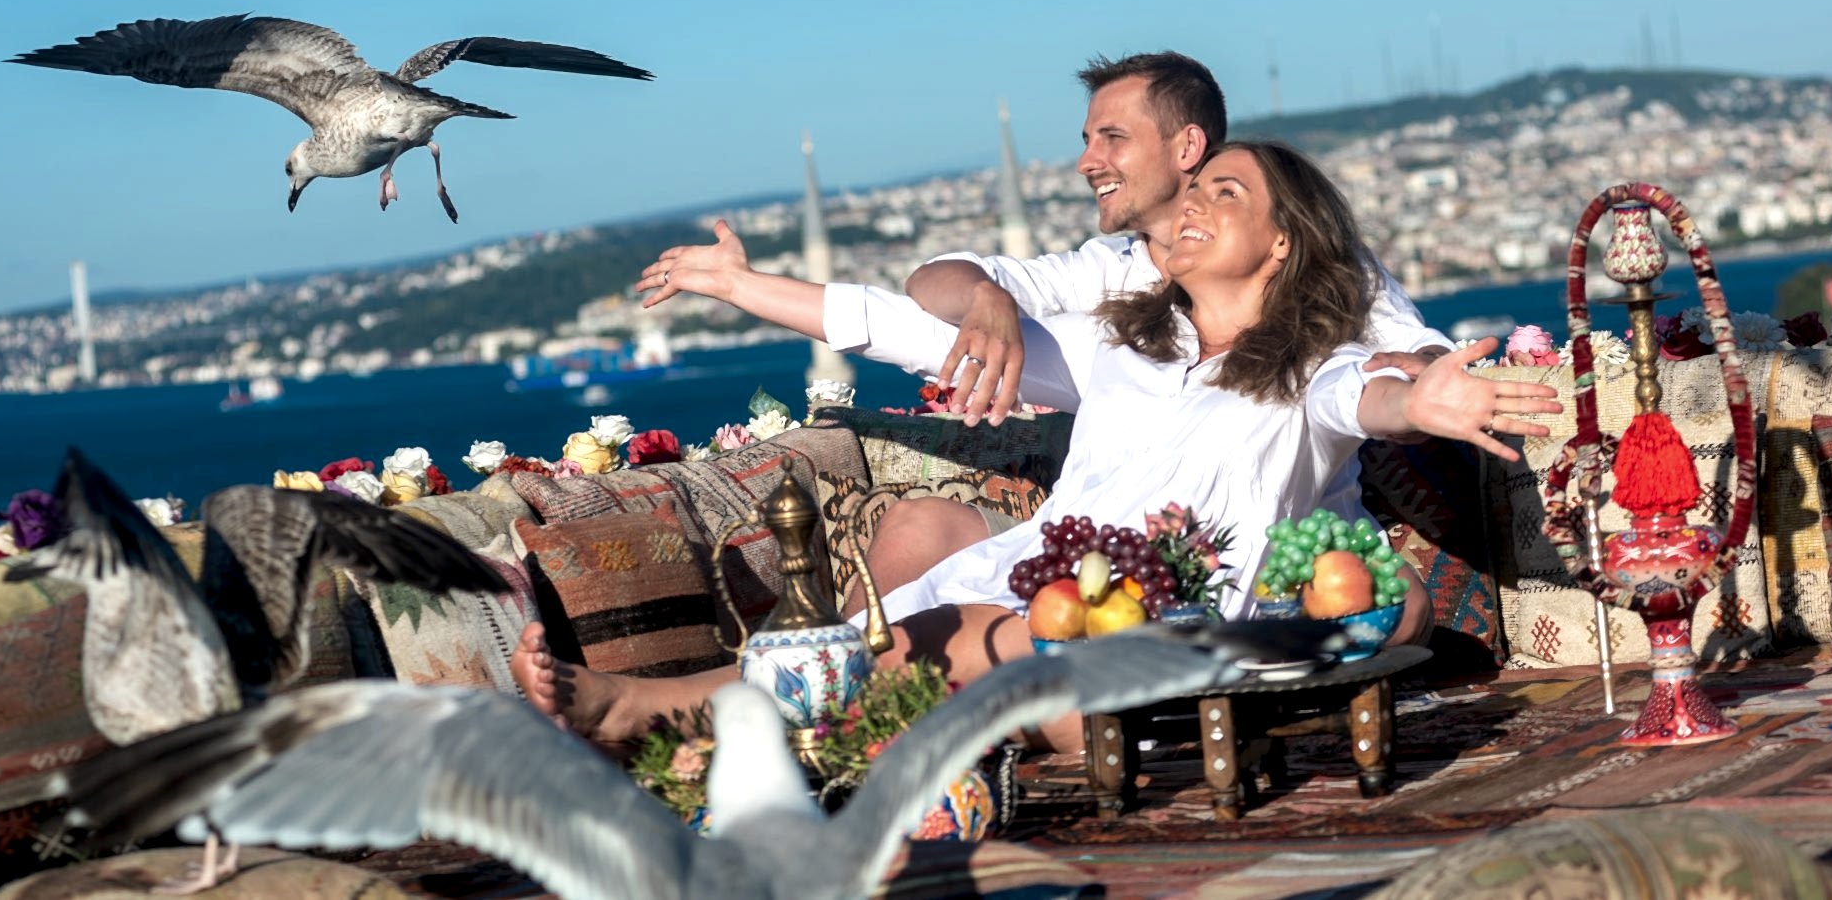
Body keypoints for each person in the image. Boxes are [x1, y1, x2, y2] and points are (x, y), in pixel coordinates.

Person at [512, 140, 1558, 754]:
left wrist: (1424, 393)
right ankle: (761, 727)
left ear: (1283, 244)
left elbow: (1364, 395)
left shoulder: (1313, 364)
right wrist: (741, 286)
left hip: (1175, 626)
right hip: (1053, 588)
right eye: (1195, 189)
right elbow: (909, 327)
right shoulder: (1124, 345)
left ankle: (644, 710)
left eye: (1225, 193)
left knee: (936, 638)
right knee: (906, 617)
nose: (1192, 203)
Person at [879, 51, 1451, 606]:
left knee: (1402, 603)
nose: (1086, 162)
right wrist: (987, 296)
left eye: (1112, 137)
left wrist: (1417, 396)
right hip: (1114, 541)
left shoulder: (1309, 276)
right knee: (916, 532)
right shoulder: (1103, 281)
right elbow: (923, 300)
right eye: (1087, 140)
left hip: (1258, 550)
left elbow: (1398, 361)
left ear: (1187, 146)